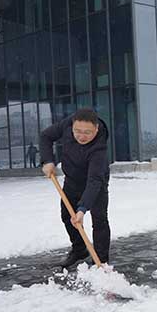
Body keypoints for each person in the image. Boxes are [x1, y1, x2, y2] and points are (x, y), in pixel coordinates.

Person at [40, 108, 111, 268]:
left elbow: (94, 181)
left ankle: (101, 262)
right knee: (67, 216)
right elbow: (46, 136)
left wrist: (82, 209)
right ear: (72, 125)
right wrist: (48, 161)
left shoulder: (99, 149)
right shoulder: (67, 124)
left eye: (87, 132)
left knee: (99, 220)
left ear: (96, 129)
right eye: (77, 131)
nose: (81, 136)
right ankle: (79, 249)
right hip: (72, 180)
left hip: (95, 183)